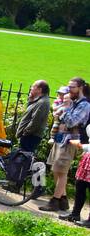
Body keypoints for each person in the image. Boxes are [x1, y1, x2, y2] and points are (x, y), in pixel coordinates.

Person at [41, 78, 89, 213]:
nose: (69, 90)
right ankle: (63, 199)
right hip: (60, 138)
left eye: (72, 87)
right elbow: (57, 115)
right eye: (68, 87)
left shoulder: (84, 105)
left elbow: (71, 122)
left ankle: (54, 201)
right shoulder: (73, 102)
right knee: (56, 170)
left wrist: (66, 109)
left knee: (61, 171)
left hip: (70, 141)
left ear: (80, 87)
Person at [15, 81, 51, 154]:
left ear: (40, 89)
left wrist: (25, 132)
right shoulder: (38, 100)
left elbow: (36, 121)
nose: (31, 88)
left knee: (24, 158)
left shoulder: (42, 102)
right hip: (29, 135)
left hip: (31, 136)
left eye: (33, 86)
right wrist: (31, 100)